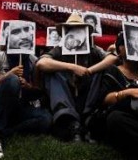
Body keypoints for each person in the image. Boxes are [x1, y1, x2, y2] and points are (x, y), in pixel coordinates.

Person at [36, 13, 114, 142]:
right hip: (65, 94)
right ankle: (71, 122)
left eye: (79, 30)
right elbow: (41, 63)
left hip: (88, 94)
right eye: (71, 31)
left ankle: (90, 117)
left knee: (102, 71)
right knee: (52, 73)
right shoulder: (58, 50)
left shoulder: (93, 49)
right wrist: (72, 67)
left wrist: (89, 70)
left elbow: (112, 59)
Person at [0, 49, 51, 159]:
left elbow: (38, 91)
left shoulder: (32, 59)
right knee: (12, 80)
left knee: (45, 119)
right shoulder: (0, 56)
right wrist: (9, 75)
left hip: (18, 108)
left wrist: (28, 86)